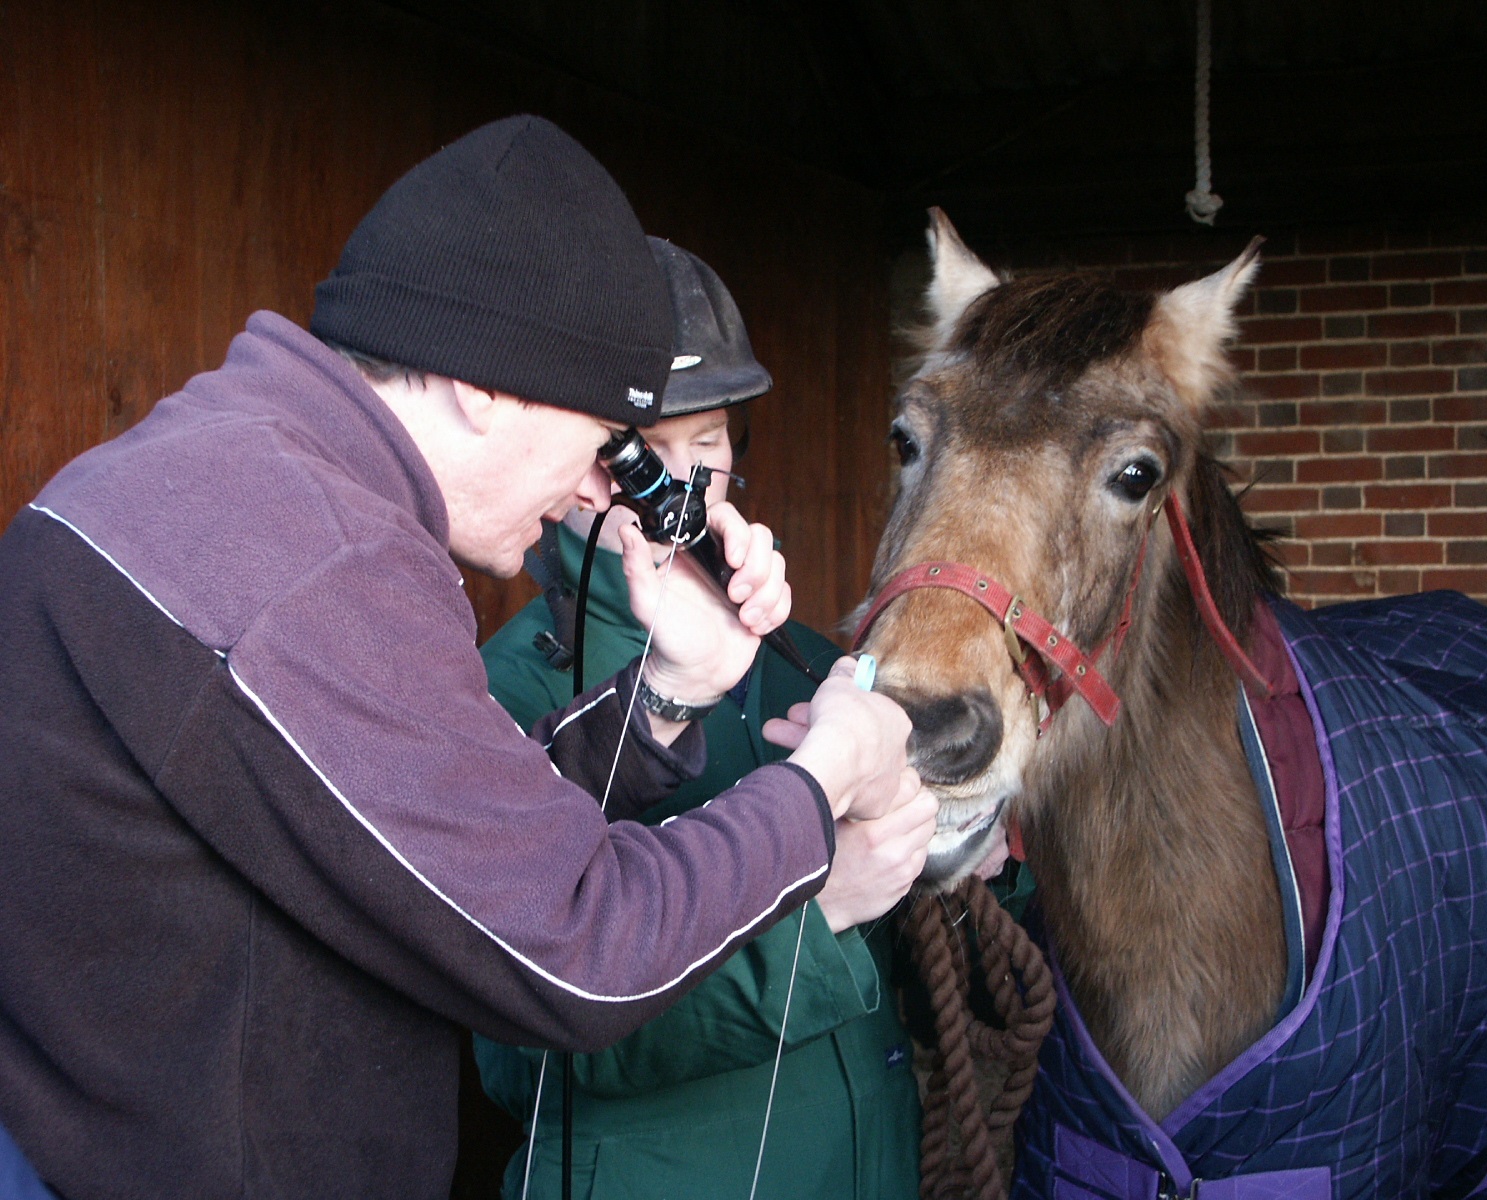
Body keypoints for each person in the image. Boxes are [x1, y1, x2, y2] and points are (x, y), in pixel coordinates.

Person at [0, 116, 934, 1200]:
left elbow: (429, 829)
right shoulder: (311, 563)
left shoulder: (234, 471)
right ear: (484, 385)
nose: (601, 493)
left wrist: (670, 692)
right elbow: (574, 945)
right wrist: (821, 790)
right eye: (601, 441)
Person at [474, 239, 923, 1200]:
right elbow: (522, 1049)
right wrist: (824, 911)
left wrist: (966, 843)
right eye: (642, 451)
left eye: (707, 443)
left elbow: (931, 947)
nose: (677, 488)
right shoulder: (498, 697)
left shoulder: (804, 653)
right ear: (579, 466)